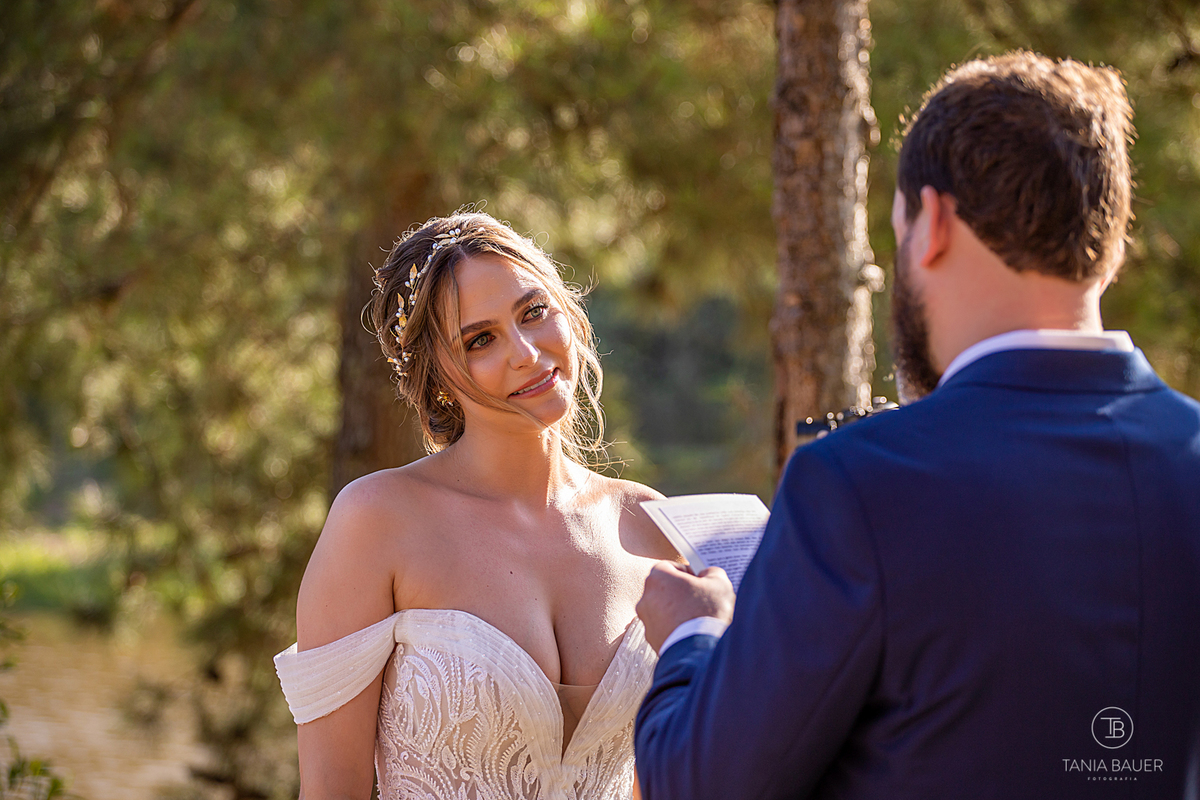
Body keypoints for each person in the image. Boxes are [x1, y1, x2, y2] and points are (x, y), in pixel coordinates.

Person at [634, 51, 1200, 799]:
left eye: (899, 231)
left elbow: (703, 785)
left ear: (931, 222)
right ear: (1113, 244)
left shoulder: (859, 482)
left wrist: (691, 635)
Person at [274, 212, 679, 799]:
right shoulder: (378, 522)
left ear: (567, 310)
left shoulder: (649, 526)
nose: (526, 353)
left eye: (533, 312)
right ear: (437, 375)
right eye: (480, 340)